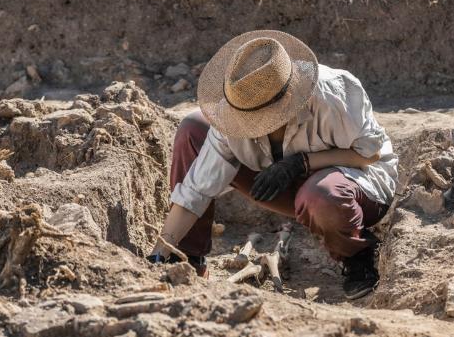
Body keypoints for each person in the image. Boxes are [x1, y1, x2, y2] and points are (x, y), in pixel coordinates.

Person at [149, 30, 398, 300]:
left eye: (261, 118)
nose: (250, 127)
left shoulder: (333, 94)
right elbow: (195, 190)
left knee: (321, 195)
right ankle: (185, 260)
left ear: (288, 100)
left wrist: (301, 163)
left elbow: (369, 154)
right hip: (288, 186)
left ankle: (356, 254)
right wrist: (161, 251)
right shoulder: (236, 108)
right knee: (194, 128)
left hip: (356, 186)